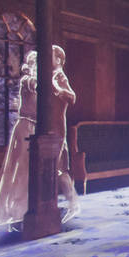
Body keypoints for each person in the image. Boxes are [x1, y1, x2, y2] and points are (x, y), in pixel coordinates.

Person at [0, 51, 38, 229]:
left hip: (32, 126)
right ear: (32, 65)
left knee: (28, 172)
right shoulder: (28, 80)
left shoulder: (32, 80)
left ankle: (23, 211)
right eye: (37, 64)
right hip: (24, 126)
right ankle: (17, 213)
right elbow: (38, 87)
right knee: (21, 171)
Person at [51, 45, 81, 222]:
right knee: (54, 168)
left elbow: (73, 97)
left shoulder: (59, 76)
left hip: (57, 125)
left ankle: (73, 203)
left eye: (51, 56)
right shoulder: (51, 75)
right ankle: (67, 203)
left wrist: (57, 88)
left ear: (59, 60)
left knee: (59, 168)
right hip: (50, 126)